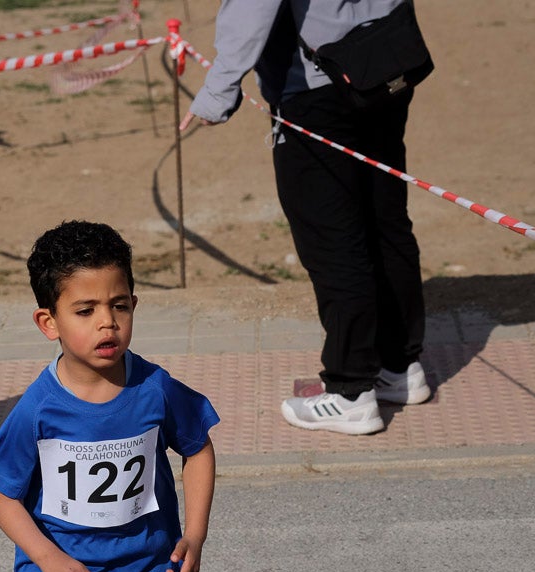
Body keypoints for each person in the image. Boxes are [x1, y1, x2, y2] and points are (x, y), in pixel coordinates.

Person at [180, 0, 432, 436]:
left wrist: (219, 90)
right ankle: (399, 366)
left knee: (335, 239)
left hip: (320, 80)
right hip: (385, 56)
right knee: (384, 220)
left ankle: (353, 391)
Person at [0, 221, 219, 572]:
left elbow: (197, 447)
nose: (107, 322)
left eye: (119, 306)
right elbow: (4, 498)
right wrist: (49, 559)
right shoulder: (37, 409)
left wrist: (196, 536)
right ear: (49, 322)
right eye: (85, 311)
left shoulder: (155, 388)